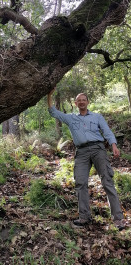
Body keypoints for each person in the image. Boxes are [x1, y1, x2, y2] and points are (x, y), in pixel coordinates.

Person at [47, 88, 125, 230]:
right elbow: (53, 111)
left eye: (84, 99)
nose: (82, 102)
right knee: (80, 182)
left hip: (98, 149)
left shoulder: (97, 117)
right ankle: (84, 217)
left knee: (107, 181)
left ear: (88, 102)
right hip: (81, 152)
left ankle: (118, 219)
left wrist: (114, 145)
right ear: (75, 103)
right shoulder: (71, 118)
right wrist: (49, 95)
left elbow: (107, 131)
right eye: (79, 100)